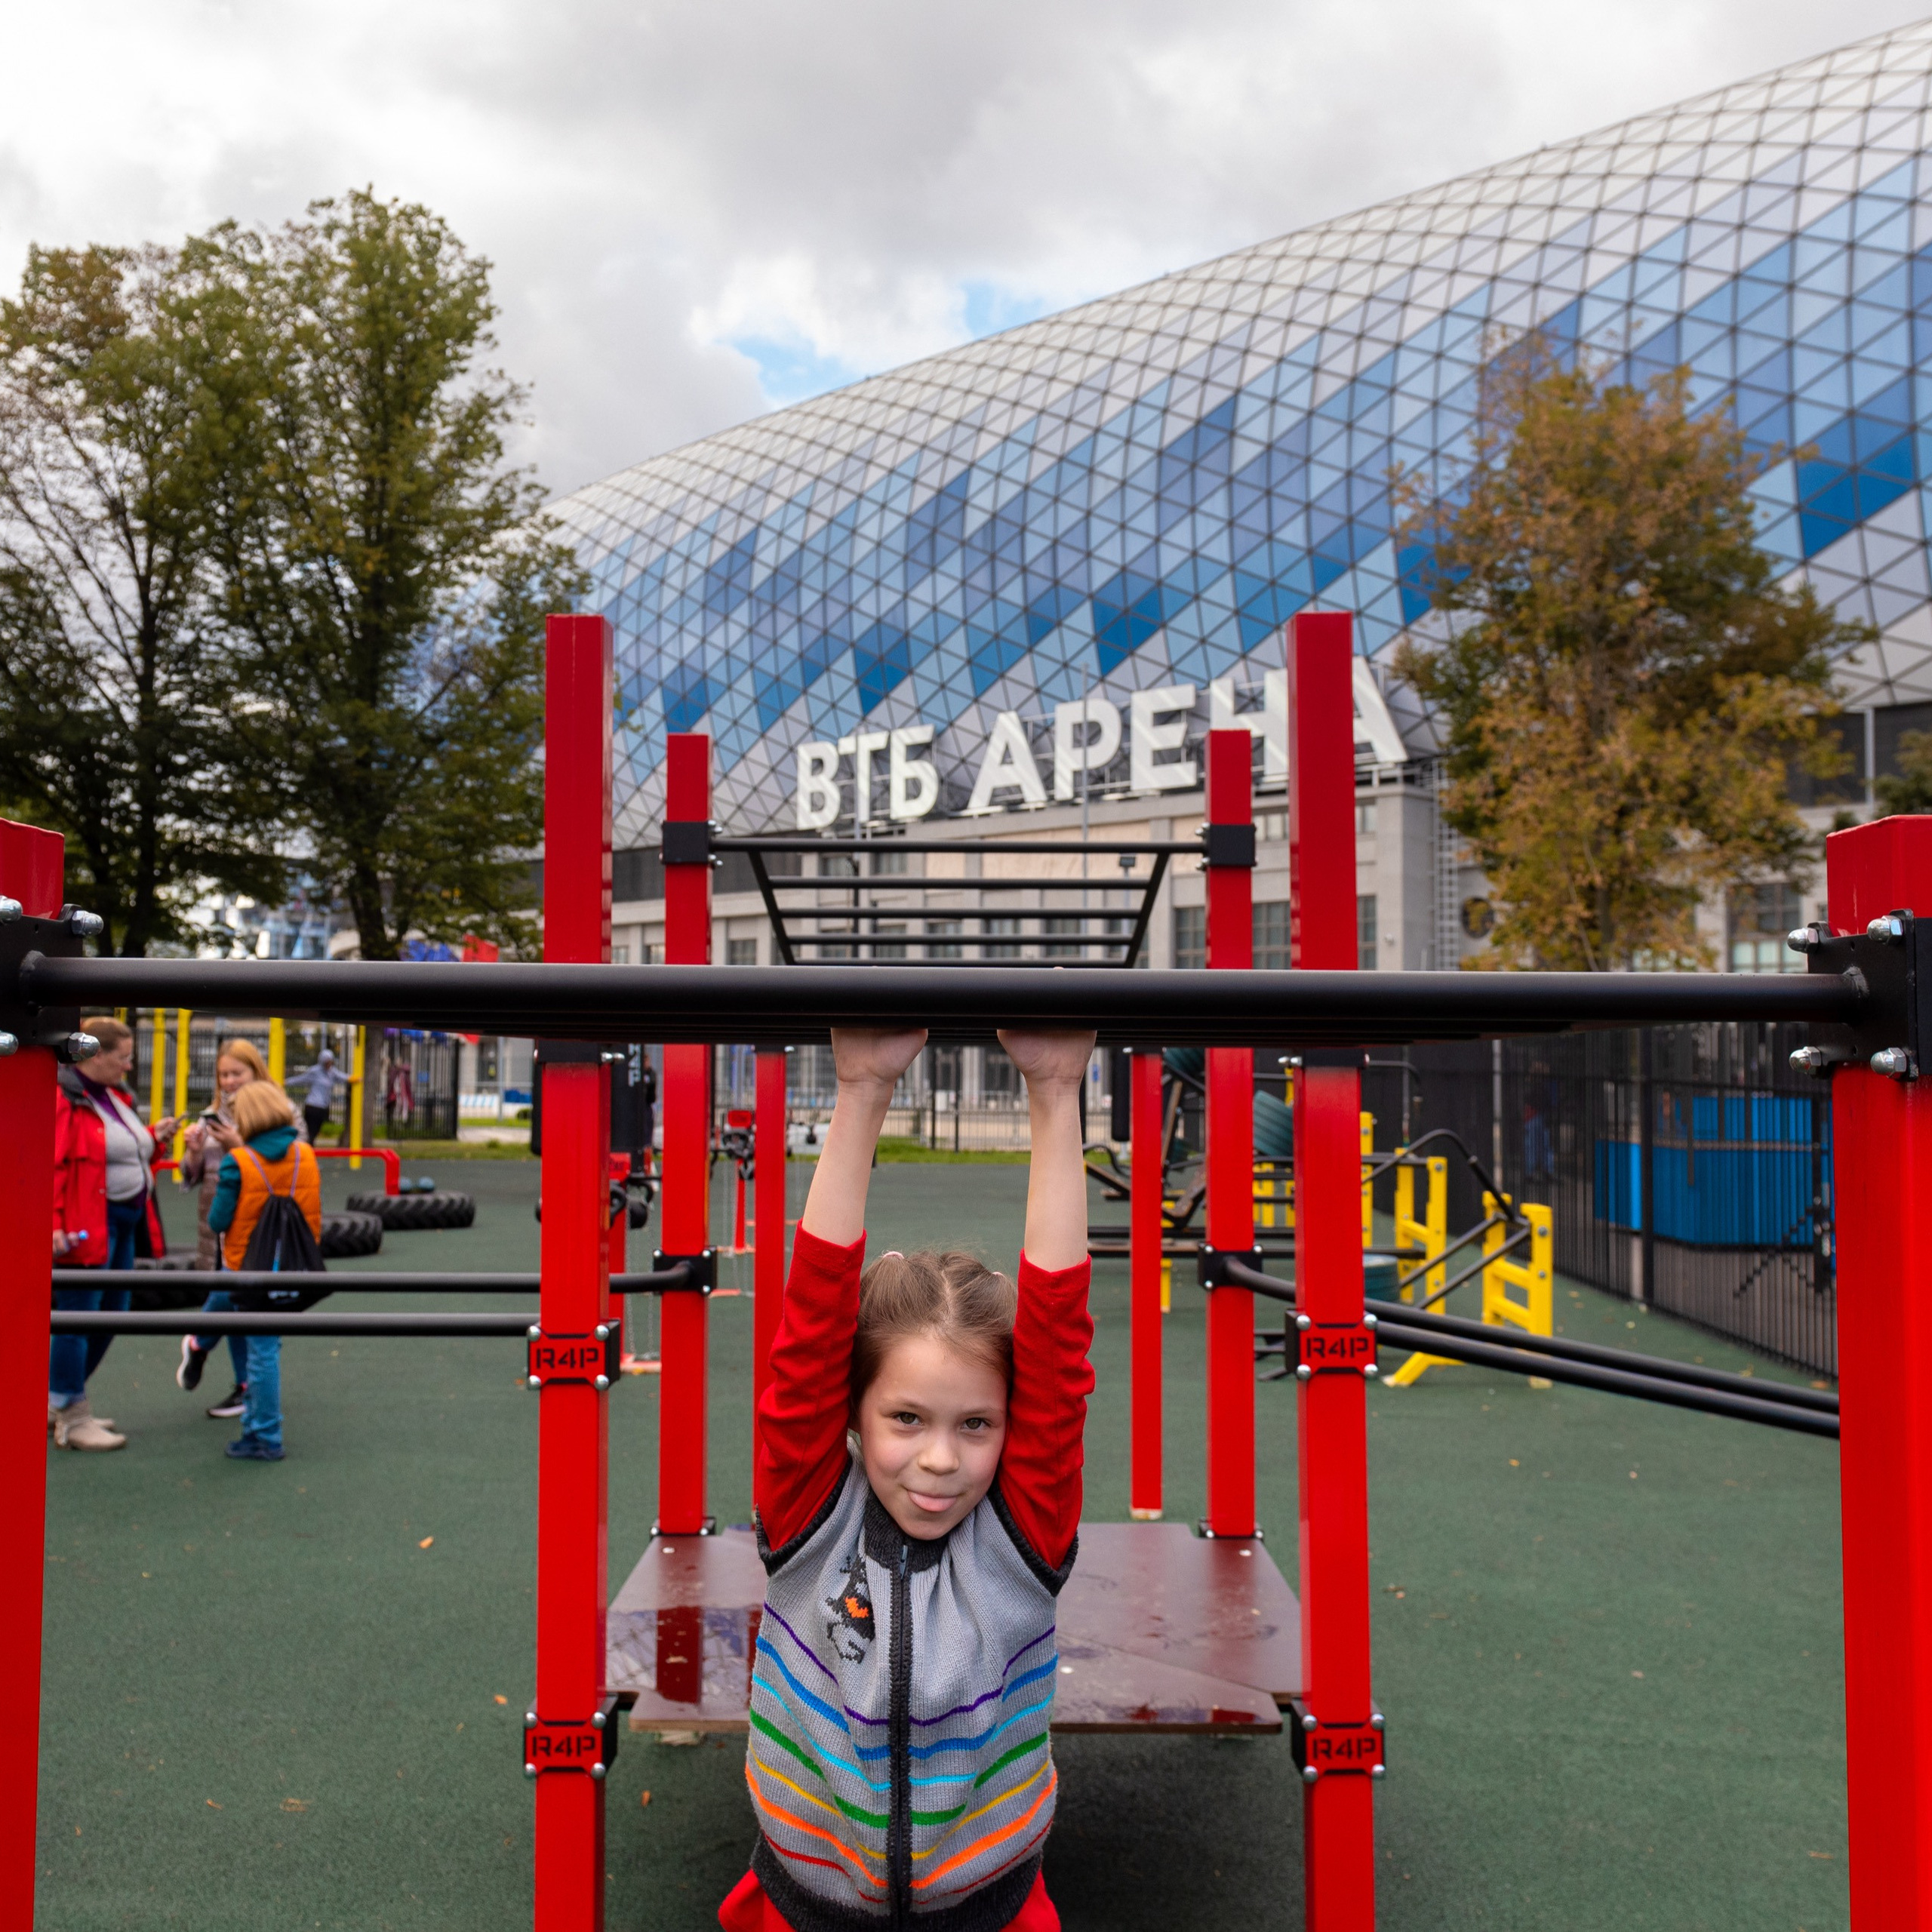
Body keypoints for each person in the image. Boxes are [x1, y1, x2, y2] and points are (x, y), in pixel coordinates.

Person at [720, 1026, 1094, 1932]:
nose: (939, 1460)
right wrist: (859, 1092)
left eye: (976, 1425)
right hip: (808, 1907)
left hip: (987, 1909)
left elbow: (1056, 1344)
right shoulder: (811, 1520)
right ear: (851, 1417)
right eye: (905, 1419)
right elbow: (808, 1338)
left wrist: (1054, 1092)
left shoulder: (1017, 1544)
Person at [50, 1017, 177, 1452]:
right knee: (79, 1317)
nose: (128, 1066)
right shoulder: (66, 1097)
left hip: (123, 1221)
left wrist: (154, 1138)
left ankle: (59, 1397)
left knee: (115, 1310)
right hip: (88, 1223)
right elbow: (57, 1164)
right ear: (95, 1055)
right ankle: (71, 1411)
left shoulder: (116, 1097)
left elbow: (128, 1152)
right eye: (122, 1058)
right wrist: (54, 1224)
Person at [185, 1080, 321, 1462]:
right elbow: (312, 1212)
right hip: (291, 1264)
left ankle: (265, 1435)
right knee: (265, 1343)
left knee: (262, 1352)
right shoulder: (305, 1156)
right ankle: (199, 1344)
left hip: (247, 1265)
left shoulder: (240, 1162)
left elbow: (217, 1220)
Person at [177, 1039, 275, 1420]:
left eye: (238, 1073)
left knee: (238, 1291)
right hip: (218, 1213)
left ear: (256, 1073)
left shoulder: (273, 1109)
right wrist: (195, 1151)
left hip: (258, 1214)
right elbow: (190, 1175)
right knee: (231, 1292)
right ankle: (244, 1385)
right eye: (224, 1075)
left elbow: (289, 1158)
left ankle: (200, 1342)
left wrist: (238, 1143)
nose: (230, 1081)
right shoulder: (212, 1114)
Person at [297, 1046, 347, 1144]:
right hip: (312, 1105)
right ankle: (307, 1149)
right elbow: (300, 1079)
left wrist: (354, 1079)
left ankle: (308, 1148)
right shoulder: (315, 1071)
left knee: (315, 1131)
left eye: (330, 1062)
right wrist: (285, 1082)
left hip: (322, 1107)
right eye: (327, 1062)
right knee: (309, 1131)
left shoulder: (331, 1072)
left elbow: (342, 1077)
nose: (329, 1065)